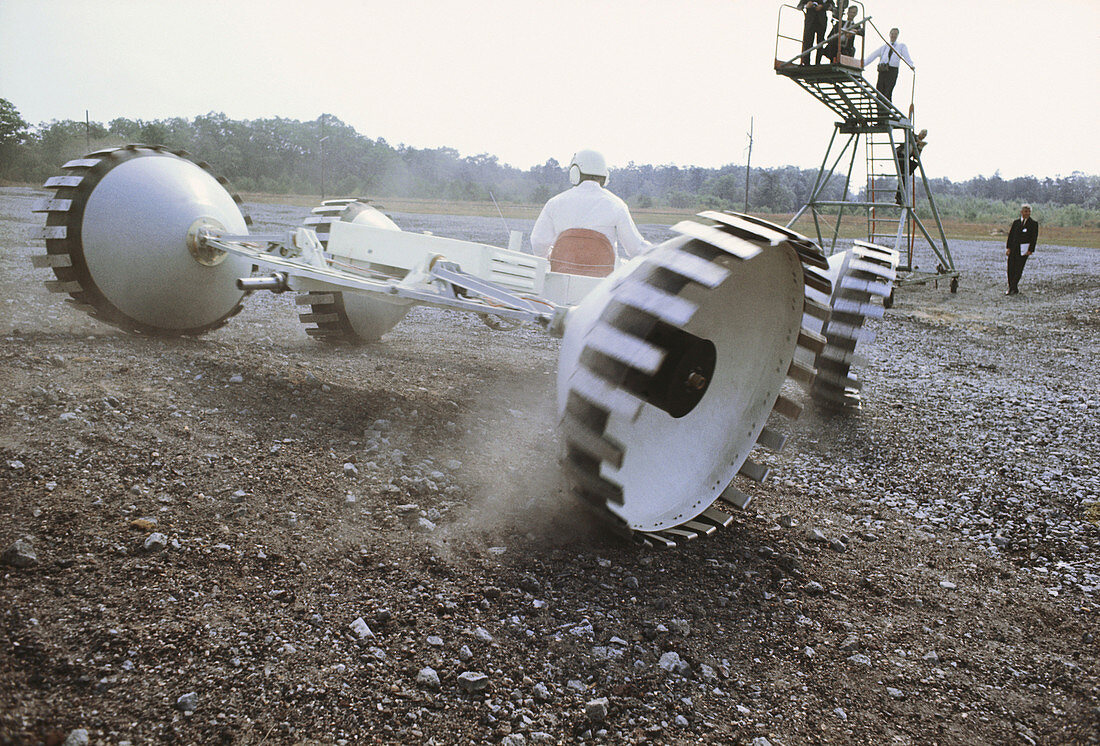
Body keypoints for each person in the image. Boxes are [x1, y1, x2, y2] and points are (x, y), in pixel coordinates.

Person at [530, 150, 653, 272]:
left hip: (562, 279)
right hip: (602, 284)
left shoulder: (554, 203)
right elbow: (635, 248)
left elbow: (538, 243)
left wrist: (550, 258)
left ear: (575, 172)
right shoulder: (616, 204)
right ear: (605, 175)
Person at [864, 28, 913, 115]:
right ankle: (879, 113)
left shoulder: (901, 46)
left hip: (892, 71)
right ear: (889, 34)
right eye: (892, 34)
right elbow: (873, 56)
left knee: (888, 91)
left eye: (895, 34)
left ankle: (886, 112)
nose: (893, 36)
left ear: (897, 36)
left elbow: (906, 56)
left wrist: (911, 65)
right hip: (883, 70)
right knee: (879, 90)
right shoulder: (884, 47)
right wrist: (863, 64)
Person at [1005, 204, 1038, 295]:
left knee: (1018, 269)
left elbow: (1034, 238)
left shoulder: (1033, 224)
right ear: (1021, 212)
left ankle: (1012, 287)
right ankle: (1012, 287)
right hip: (1013, 249)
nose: (1027, 213)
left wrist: (1031, 250)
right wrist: (1008, 248)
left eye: (1028, 211)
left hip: (1024, 250)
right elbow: (1011, 236)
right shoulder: (1016, 223)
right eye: (1025, 211)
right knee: (1010, 268)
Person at [894, 129, 927, 206]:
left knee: (913, 166)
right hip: (900, 155)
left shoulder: (919, 144)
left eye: (924, 135)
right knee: (903, 177)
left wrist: (921, 147)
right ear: (920, 133)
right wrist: (917, 142)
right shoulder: (912, 136)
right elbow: (907, 131)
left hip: (906, 158)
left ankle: (899, 197)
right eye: (923, 134)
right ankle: (898, 198)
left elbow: (916, 157)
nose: (923, 136)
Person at [797, 0, 836, 65]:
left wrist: (823, 6)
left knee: (820, 42)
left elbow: (832, 6)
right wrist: (806, 6)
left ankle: (818, 62)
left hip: (821, 22)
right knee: (807, 42)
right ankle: (806, 63)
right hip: (810, 21)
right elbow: (799, 6)